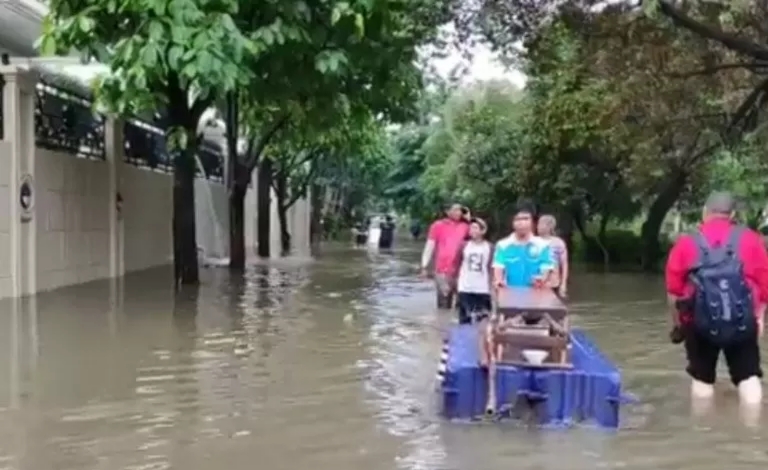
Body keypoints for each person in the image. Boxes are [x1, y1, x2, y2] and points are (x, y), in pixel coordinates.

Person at [665, 191, 768, 406]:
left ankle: (702, 428)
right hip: (743, 321)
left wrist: (679, 325)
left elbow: (673, 292)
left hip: (698, 323)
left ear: (705, 212)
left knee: (702, 379)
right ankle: (752, 428)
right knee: (748, 377)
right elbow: (765, 284)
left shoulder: (685, 243)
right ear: (732, 215)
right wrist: (759, 318)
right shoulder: (751, 240)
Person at [492, 205, 556, 289]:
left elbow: (546, 271)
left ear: (533, 222)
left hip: (536, 295)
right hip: (509, 295)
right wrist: (499, 282)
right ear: (512, 222)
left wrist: (541, 280)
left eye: (525, 219)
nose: (521, 223)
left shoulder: (543, 245)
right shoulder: (502, 245)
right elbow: (498, 270)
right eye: (517, 219)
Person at [420, 203, 471, 308]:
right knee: (443, 305)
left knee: (462, 305)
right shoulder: (437, 225)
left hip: (462, 271)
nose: (459, 212)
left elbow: (477, 241)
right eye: (455, 210)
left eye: (460, 210)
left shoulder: (466, 227)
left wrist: (469, 220)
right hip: (442, 271)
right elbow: (429, 246)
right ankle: (442, 323)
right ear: (447, 212)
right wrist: (424, 266)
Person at [455, 218, 493, 325]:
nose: (472, 231)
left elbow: (492, 268)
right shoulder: (464, 246)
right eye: (471, 228)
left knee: (483, 319)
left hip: (483, 288)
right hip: (465, 287)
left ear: (483, 230)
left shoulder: (490, 247)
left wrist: (493, 287)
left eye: (475, 228)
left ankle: (481, 341)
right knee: (464, 319)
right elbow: (457, 264)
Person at [537, 214, 569, 298]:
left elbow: (564, 264)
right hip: (536, 282)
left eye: (540, 224)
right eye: (538, 224)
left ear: (549, 227)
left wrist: (563, 284)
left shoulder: (558, 242)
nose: (538, 226)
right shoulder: (533, 242)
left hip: (553, 283)